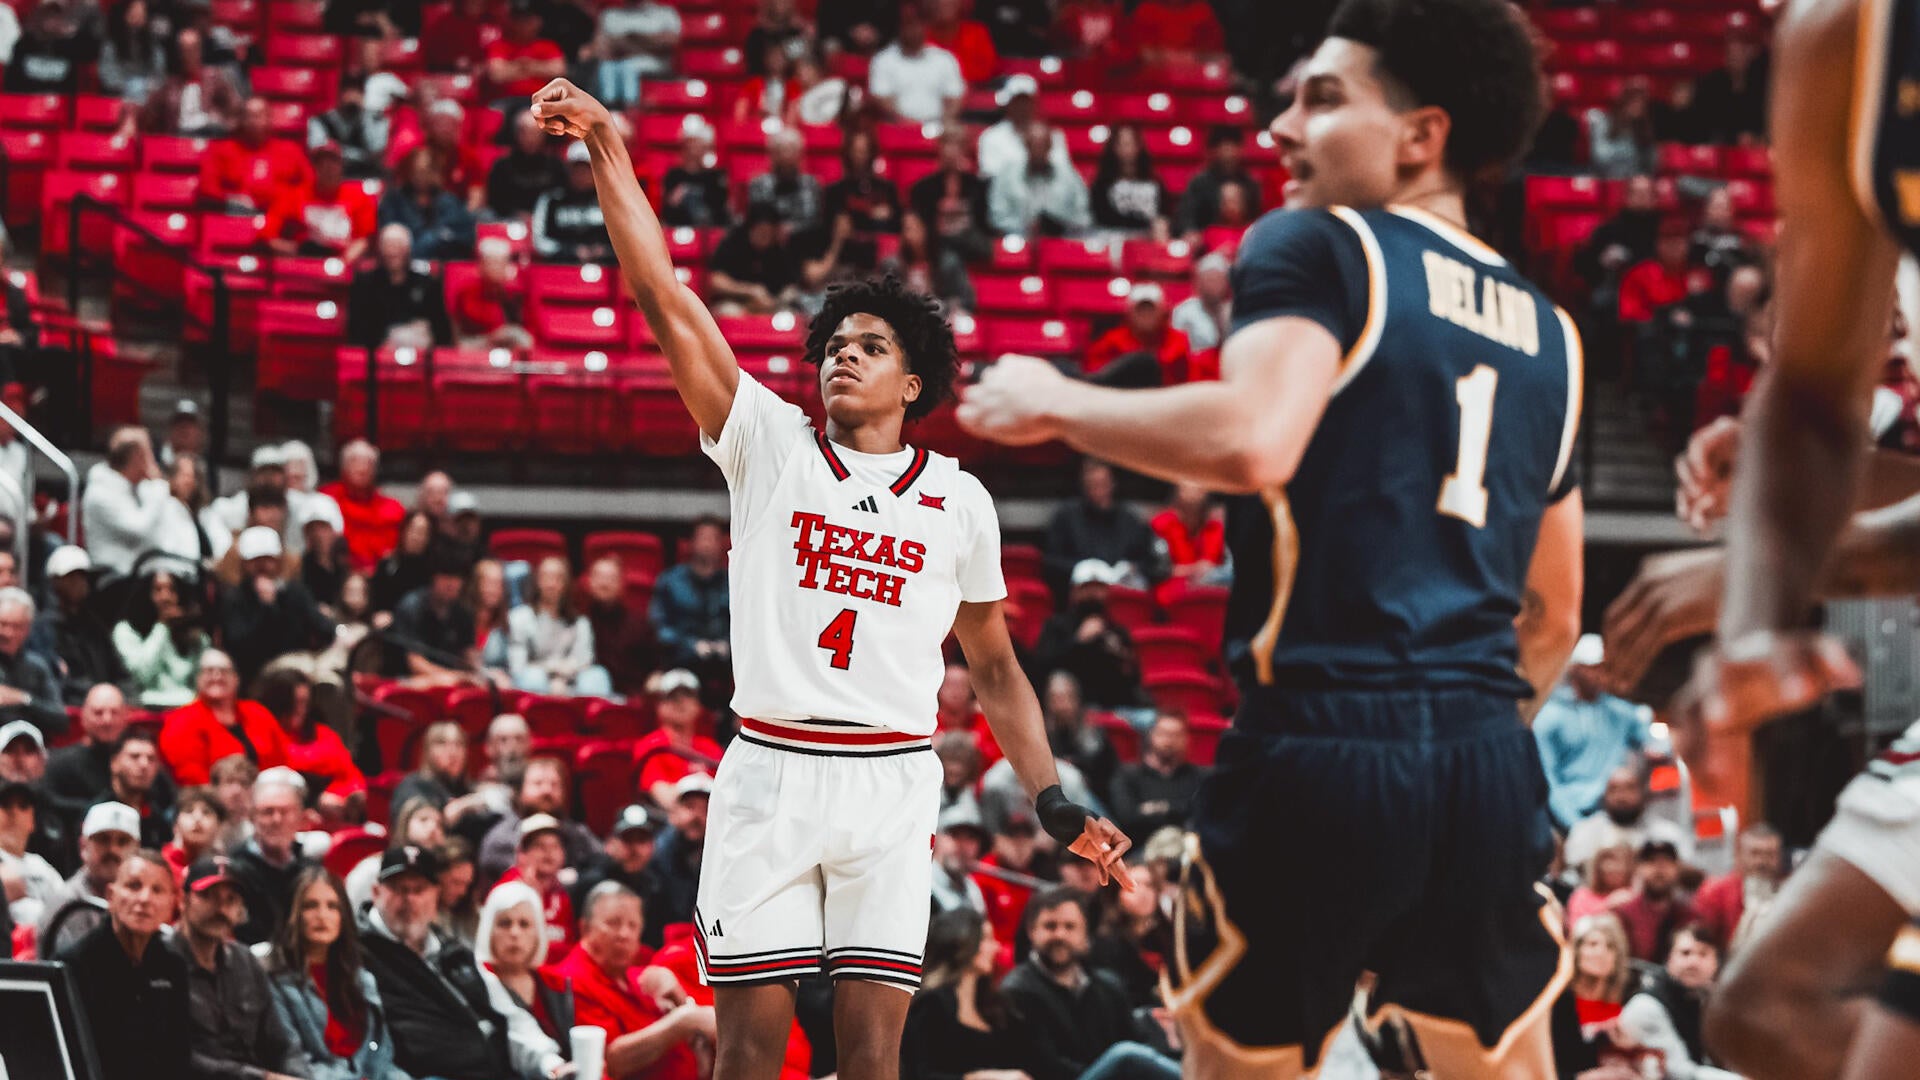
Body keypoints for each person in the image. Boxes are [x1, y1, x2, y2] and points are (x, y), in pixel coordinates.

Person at [957, 0, 1585, 1074]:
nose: (1280, 129)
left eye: (1322, 99)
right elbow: (1557, 613)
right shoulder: (1552, 328)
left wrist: (1057, 401)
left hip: (1322, 743)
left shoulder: (1322, 243)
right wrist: (1450, 736)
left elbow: (1254, 440)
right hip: (1487, 753)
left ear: (1422, 136)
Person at [534, 73, 1130, 1080]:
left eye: (871, 346)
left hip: (894, 784)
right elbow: (663, 297)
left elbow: (993, 669)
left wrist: (1051, 796)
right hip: (769, 773)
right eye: (833, 346)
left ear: (915, 383)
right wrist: (607, 145)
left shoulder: (959, 498)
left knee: (871, 1062)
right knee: (752, 1057)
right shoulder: (770, 444)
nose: (842, 358)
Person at [358, 844, 537, 1079]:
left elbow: (509, 1015)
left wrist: (551, 1064)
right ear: (376, 892)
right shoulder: (357, 954)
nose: (409, 899)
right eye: (398, 889)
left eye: (419, 889)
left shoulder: (453, 951)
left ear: (435, 895)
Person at [999, 887, 1176, 1080]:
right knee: (1126, 1056)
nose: (1060, 935)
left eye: (1070, 927)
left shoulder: (1109, 986)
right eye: (1050, 926)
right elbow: (1044, 1067)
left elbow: (1137, 1039)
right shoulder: (1016, 991)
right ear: (1031, 931)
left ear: (1085, 933)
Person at [547, 881, 715, 1078]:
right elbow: (607, 1063)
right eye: (613, 923)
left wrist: (680, 998)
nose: (624, 934)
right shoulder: (568, 980)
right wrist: (683, 1021)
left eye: (633, 925)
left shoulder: (641, 978)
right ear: (585, 928)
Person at [58, 849, 192, 1080]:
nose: (144, 899)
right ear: (111, 896)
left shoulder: (173, 966)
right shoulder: (75, 965)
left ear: (173, 904)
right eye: (133, 886)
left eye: (157, 890)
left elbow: (179, 1057)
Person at [170, 855, 310, 1078]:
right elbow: (177, 1057)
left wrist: (297, 1076)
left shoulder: (245, 961)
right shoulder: (161, 963)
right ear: (182, 901)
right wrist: (261, 1077)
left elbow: (282, 1044)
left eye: (231, 899)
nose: (221, 908)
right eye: (208, 896)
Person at [266, 867, 409, 1080]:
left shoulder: (363, 980)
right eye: (310, 906)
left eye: (332, 906)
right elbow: (292, 1060)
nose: (322, 916)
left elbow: (382, 1057)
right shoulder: (275, 981)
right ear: (292, 914)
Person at [1535, 638, 1655, 832]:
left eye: (1603, 668)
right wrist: (1574, 825)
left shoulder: (1619, 712)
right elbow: (1546, 779)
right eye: (1592, 668)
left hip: (1616, 814)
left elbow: (1652, 739)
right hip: (1569, 815)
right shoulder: (1550, 718)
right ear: (1575, 669)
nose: (1599, 675)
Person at [475, 880, 574, 1076]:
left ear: (538, 932)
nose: (514, 933)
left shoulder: (557, 984)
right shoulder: (476, 983)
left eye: (524, 924)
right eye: (504, 923)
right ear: (488, 930)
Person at [1618, 925, 1740, 1080]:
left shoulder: (1707, 1000)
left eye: (1703, 954)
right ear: (1669, 959)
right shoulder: (1647, 1006)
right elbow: (1679, 1073)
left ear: (1716, 963)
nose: (1693, 961)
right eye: (1685, 953)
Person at [221, 527, 339, 687]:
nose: (262, 566)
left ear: (278, 561)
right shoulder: (234, 597)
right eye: (255, 560)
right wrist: (266, 607)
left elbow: (325, 630)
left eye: (268, 559)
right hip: (258, 673)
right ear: (244, 563)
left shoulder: (295, 592)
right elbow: (239, 646)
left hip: (302, 661)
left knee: (333, 673)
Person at [159, 650, 293, 786]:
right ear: (198, 679)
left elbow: (283, 760)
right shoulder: (181, 720)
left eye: (224, 671)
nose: (217, 676)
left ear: (236, 679)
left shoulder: (257, 712)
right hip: (210, 800)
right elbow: (191, 778)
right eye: (209, 671)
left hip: (268, 795)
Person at [1042, 460, 1159, 599]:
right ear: (1084, 486)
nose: (1098, 490)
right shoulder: (1066, 517)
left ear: (1112, 484)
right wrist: (1080, 568)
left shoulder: (1129, 519)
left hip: (1121, 595)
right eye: (1093, 485)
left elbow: (1148, 562)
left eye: (1103, 484)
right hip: (1080, 598)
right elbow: (1051, 561)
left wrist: (1131, 568)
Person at [228, 768, 319, 946]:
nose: (277, 820)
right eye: (267, 812)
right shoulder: (234, 870)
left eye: (285, 812)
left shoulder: (312, 871)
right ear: (252, 816)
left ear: (301, 816)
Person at [257, 668, 364, 819]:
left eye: (304, 703)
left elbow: (350, 776)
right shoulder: (263, 734)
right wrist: (316, 802)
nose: (300, 710)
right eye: (293, 703)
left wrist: (342, 795)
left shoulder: (324, 733)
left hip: (337, 808)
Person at [476, 755, 599, 884]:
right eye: (538, 783)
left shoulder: (576, 832)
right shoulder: (502, 837)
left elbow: (601, 861)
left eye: (554, 784)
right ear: (519, 792)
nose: (547, 790)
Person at [42, 800, 141, 957]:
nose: (112, 850)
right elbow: (72, 971)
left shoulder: (144, 900)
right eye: (103, 840)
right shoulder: (66, 903)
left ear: (137, 850)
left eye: (122, 842)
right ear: (83, 846)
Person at [1563, 760, 1693, 871]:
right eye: (1614, 789)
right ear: (1603, 795)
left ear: (1643, 792)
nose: (1622, 797)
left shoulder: (1667, 834)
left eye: (1630, 788)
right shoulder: (1584, 832)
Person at [507, 555, 609, 696]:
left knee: (598, 676)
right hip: (534, 682)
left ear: (566, 583)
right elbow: (518, 665)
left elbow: (583, 660)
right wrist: (552, 672)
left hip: (572, 684)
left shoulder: (580, 622)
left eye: (558, 578)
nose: (551, 584)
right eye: (546, 577)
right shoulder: (519, 617)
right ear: (538, 581)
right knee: (533, 677)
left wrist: (562, 679)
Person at [81, 425, 174, 577]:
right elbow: (140, 530)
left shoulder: (134, 488)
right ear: (137, 457)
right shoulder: (101, 491)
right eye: (148, 452)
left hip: (136, 574)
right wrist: (157, 485)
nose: (152, 459)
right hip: (114, 579)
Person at [260, 141, 377, 262]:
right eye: (321, 163)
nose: (327, 168)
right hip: (304, 263)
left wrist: (344, 261)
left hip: (344, 261)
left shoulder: (358, 196)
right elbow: (268, 234)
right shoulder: (294, 196)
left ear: (341, 166)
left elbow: (365, 239)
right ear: (314, 167)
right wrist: (295, 250)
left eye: (333, 162)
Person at [1550, 914, 1635, 1079]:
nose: (1600, 952)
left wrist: (1630, 1051)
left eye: (1610, 946)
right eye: (1592, 944)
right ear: (1576, 950)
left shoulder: (1624, 1004)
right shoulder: (1556, 1003)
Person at [574, 803, 668, 946]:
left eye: (641, 840)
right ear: (610, 844)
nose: (634, 848)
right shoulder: (589, 885)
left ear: (652, 846)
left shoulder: (658, 888)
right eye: (628, 839)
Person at [114, 567, 209, 708]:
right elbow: (142, 676)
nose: (165, 598)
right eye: (158, 590)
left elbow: (202, 682)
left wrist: (196, 639)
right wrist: (162, 626)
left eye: (172, 590)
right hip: (146, 707)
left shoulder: (195, 636)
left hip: (187, 708)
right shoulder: (126, 631)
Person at [346, 225, 453, 349]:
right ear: (380, 250)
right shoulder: (364, 284)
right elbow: (358, 329)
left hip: (420, 352)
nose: (393, 252)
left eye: (398, 246)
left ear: (408, 250)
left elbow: (441, 329)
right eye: (388, 246)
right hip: (377, 352)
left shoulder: (427, 284)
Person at [200, 97, 313, 213]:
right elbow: (207, 187)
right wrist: (229, 198)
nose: (254, 121)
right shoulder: (221, 150)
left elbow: (309, 183)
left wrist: (288, 200)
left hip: (281, 218)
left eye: (259, 115)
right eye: (249, 116)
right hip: (237, 218)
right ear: (241, 120)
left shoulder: (290, 150)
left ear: (269, 119)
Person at [651, 516, 730, 679]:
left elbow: (749, 624)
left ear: (722, 544)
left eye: (713, 539)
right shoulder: (670, 581)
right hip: (681, 664)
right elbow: (659, 627)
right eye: (703, 538)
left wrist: (729, 644)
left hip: (728, 665)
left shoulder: (735, 583)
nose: (707, 544)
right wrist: (691, 645)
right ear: (691, 543)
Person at [492, 813, 578, 962]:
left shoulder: (561, 895)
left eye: (555, 846)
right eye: (539, 846)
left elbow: (570, 948)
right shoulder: (506, 892)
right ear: (521, 853)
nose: (549, 852)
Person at [632, 669, 724, 807]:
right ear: (660, 706)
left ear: (698, 706)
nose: (681, 702)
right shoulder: (651, 745)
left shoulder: (710, 747)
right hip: (670, 821)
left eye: (688, 696)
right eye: (672, 697)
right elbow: (666, 799)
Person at [1107, 710, 1202, 841]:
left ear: (1186, 738)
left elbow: (1201, 815)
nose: (1169, 741)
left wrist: (1156, 808)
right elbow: (1128, 819)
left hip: (1186, 847)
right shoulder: (1128, 775)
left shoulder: (1197, 776)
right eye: (1163, 733)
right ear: (1151, 736)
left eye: (1176, 735)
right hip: (1140, 851)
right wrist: (1179, 810)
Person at [989, 122, 1092, 239]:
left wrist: (1061, 224)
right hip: (1019, 239)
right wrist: (1023, 227)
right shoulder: (1007, 175)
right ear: (1025, 146)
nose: (1038, 150)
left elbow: (1083, 214)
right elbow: (997, 216)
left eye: (1043, 145)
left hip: (1061, 239)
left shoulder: (1068, 175)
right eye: (1033, 145)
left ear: (1050, 146)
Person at [867, 2, 964, 126]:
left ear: (925, 27)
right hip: (898, 127)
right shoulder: (883, 60)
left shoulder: (944, 59)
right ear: (901, 27)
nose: (913, 31)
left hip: (938, 126)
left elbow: (954, 98)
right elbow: (882, 100)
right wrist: (909, 124)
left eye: (918, 25)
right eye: (909, 25)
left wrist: (943, 122)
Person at [379, 149, 478, 262]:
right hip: (405, 260)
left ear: (434, 173)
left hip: (443, 258)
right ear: (409, 173)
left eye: (425, 171)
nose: (420, 176)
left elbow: (465, 235)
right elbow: (388, 231)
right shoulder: (395, 200)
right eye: (416, 171)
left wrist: (436, 238)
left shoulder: (448, 200)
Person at [1692, 823, 1781, 948]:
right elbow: (1702, 942)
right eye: (1755, 853)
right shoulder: (1715, 892)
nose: (1762, 861)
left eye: (1770, 854)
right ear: (1739, 855)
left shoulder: (1789, 891)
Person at [1611, 839, 1699, 964]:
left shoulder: (1690, 916)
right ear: (1638, 868)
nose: (1659, 869)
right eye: (1652, 862)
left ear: (1677, 868)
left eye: (1666, 862)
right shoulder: (1624, 915)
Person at [708, 202, 803, 316]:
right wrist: (750, 291)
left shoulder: (779, 249)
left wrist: (773, 301)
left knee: (792, 314)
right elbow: (715, 281)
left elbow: (791, 286)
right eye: (761, 232)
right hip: (738, 302)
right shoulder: (733, 243)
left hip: (772, 305)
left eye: (769, 233)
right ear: (751, 228)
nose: (765, 237)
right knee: (727, 312)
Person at [1084, 283, 1193, 380]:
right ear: (1129, 314)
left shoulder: (1181, 342)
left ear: (1163, 313)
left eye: (1151, 310)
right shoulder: (1110, 343)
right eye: (1140, 310)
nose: (1146, 316)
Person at [976, 75, 1071, 183]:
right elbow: (990, 175)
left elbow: (1063, 173)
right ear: (1008, 103)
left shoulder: (1053, 137)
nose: (1022, 106)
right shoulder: (990, 137)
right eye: (1018, 101)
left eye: (1026, 101)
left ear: (1035, 103)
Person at [0, 772, 64, 932]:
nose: (14, 813)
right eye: (5, 805)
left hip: (43, 949)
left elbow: (65, 910)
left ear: (32, 821)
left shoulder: (42, 867)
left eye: (22, 806)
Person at [533, 140, 615, 263]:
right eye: (577, 169)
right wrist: (570, 251)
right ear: (568, 170)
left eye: (586, 169)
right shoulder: (552, 200)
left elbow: (626, 239)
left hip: (605, 267)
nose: (581, 174)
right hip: (562, 267)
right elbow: (539, 241)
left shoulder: (610, 201)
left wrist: (606, 251)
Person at [1174, 126, 1260, 241]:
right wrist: (1192, 233)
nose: (1229, 153)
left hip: (1241, 240)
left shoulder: (1250, 184)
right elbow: (1186, 218)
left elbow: (1256, 219)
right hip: (1206, 244)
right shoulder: (1199, 183)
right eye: (1224, 146)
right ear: (1214, 150)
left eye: (1233, 146)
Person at [90, 729, 172, 849]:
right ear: (114, 763)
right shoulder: (96, 813)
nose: (144, 764)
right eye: (134, 757)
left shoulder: (159, 819)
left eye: (151, 759)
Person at [0, 588, 65, 738]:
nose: (8, 633)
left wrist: (24, 699)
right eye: (2, 624)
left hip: (30, 749)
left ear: (27, 629)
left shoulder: (37, 666)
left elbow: (61, 720)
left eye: (16, 626)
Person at [595, 0, 681, 106]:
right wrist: (645, 42)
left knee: (628, 67)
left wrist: (629, 41)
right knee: (606, 67)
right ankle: (609, 109)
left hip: (653, 63)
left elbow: (670, 43)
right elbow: (602, 48)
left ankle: (631, 110)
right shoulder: (610, 15)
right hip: (615, 62)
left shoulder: (665, 13)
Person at [1091, 124, 1171, 238]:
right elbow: (1103, 217)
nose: (1127, 149)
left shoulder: (1154, 183)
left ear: (1139, 146)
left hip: (1150, 237)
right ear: (1113, 147)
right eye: (1122, 144)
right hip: (1114, 237)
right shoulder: (1102, 185)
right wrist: (1145, 223)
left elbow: (1164, 213)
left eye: (1130, 144)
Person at [308, 72, 389, 181]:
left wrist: (363, 118)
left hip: (367, 176)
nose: (352, 97)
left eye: (357, 92)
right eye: (348, 91)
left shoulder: (375, 119)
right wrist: (361, 156)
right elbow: (320, 152)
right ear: (339, 95)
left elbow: (376, 150)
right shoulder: (320, 121)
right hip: (332, 179)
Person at [489, 109, 567, 220]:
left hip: (548, 220)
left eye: (535, 133)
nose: (530, 139)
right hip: (510, 221)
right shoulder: (502, 166)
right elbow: (496, 202)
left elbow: (562, 199)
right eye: (525, 132)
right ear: (516, 134)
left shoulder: (556, 166)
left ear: (544, 135)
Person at [746, 126, 825, 236]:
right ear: (771, 155)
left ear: (800, 155)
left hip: (805, 241)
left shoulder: (812, 184)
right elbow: (758, 221)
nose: (786, 156)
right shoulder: (759, 184)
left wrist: (792, 229)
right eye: (780, 151)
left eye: (791, 150)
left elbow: (816, 221)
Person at [659, 116, 732, 229]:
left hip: (709, 233)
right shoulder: (673, 176)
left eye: (697, 144)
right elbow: (667, 212)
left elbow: (721, 213)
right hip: (677, 230)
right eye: (690, 143)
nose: (693, 148)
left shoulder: (715, 177)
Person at [1568, 834, 1636, 930]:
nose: (1611, 867)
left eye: (1619, 861)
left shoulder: (1635, 896)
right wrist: (1607, 906)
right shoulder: (1582, 896)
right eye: (1607, 859)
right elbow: (1576, 933)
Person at [373, 510, 436, 613]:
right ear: (404, 531)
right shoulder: (388, 564)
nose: (416, 537)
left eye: (422, 532)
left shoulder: (433, 569)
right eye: (413, 530)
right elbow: (377, 598)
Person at [1170, 252, 1233, 355]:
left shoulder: (1234, 310)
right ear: (1199, 283)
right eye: (1209, 280)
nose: (1214, 285)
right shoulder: (1184, 312)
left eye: (1218, 279)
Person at [162, 785, 225, 884]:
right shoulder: (161, 866)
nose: (197, 818)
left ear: (219, 826)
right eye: (188, 811)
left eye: (206, 812)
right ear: (175, 825)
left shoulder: (224, 870)